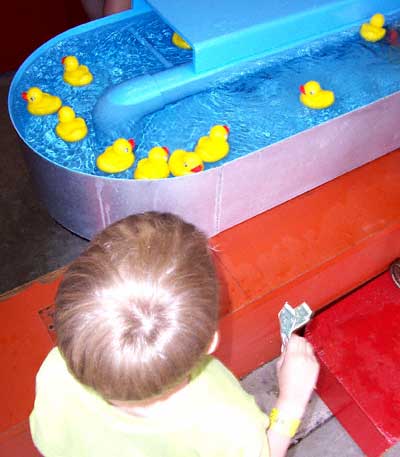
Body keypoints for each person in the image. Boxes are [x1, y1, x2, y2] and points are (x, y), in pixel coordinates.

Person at [30, 212, 319, 457]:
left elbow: (49, 442)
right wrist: (291, 404)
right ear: (210, 342)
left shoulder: (55, 373)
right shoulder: (226, 419)